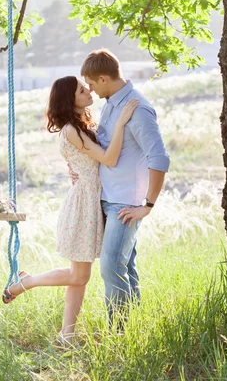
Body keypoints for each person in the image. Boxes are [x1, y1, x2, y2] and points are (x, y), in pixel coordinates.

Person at [2, 75, 139, 346]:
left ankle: (67, 333)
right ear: (69, 99)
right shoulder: (70, 130)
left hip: (92, 199)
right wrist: (122, 122)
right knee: (80, 275)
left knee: (79, 276)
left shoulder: (81, 125)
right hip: (83, 204)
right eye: (81, 90)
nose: (88, 90)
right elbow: (109, 158)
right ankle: (25, 283)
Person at [80, 49, 170, 328]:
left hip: (125, 203)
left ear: (104, 78)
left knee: (111, 268)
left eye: (92, 84)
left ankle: (118, 333)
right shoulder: (111, 104)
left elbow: (159, 158)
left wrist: (148, 205)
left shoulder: (137, 107)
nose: (91, 90)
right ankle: (132, 329)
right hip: (109, 198)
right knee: (125, 267)